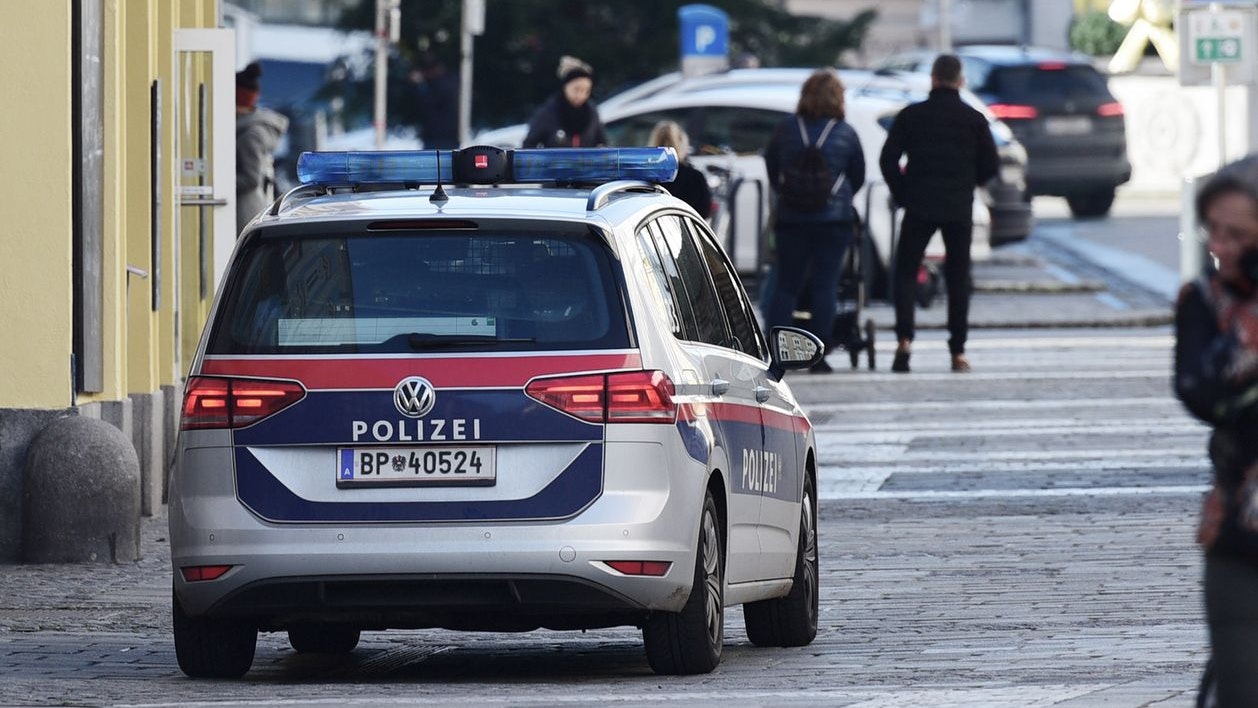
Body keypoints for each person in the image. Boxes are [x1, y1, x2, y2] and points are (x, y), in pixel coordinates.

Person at [1175, 154, 1258, 708]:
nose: (1221, 248)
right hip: (1241, 535)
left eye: (1239, 235)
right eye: (1214, 232)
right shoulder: (1204, 301)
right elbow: (1201, 393)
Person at [879, 54, 998, 373]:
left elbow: (888, 159)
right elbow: (991, 164)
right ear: (961, 81)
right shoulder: (973, 119)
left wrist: (903, 192)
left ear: (933, 79)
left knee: (906, 271)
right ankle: (958, 350)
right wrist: (968, 182)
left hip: (919, 204)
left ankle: (904, 340)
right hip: (958, 206)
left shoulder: (912, 115)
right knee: (958, 277)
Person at [763, 69, 865, 374]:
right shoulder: (845, 132)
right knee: (825, 286)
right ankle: (818, 355)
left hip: (792, 218)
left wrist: (789, 193)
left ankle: (778, 353)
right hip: (833, 221)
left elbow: (772, 167)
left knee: (786, 285)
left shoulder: (786, 129)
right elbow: (857, 175)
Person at [235, 61, 289, 234]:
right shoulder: (252, 128)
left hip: (244, 211)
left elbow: (251, 178)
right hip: (251, 208)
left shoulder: (250, 135)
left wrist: (221, 183)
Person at [523, 56, 607, 149]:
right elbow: (529, 146)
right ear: (565, 87)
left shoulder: (592, 112)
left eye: (586, 91)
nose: (581, 95)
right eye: (576, 89)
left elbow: (601, 142)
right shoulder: (548, 113)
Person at [648, 120, 712, 219]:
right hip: (682, 228)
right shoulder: (695, 177)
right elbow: (703, 213)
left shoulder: (644, 177)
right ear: (682, 143)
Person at [414, 55, 459, 149]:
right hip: (440, 137)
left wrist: (421, 85)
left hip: (442, 137)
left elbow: (428, 104)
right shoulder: (449, 81)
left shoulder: (443, 85)